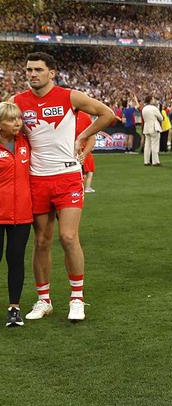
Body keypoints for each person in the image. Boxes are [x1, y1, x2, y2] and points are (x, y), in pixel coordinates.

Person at [15, 52, 116, 323]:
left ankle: (76, 298)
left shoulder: (69, 96)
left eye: (38, 69)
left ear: (52, 73)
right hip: (36, 179)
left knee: (69, 237)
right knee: (41, 241)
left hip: (68, 176)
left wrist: (83, 135)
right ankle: (44, 299)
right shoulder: (16, 102)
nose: (32, 74)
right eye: (28, 70)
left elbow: (108, 115)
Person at [0, 101, 33, 327]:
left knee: (16, 260)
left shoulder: (26, 142)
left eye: (19, 119)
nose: (18, 123)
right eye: (12, 119)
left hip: (22, 215)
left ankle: (14, 309)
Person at [141, 95, 164, 166]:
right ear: (150, 100)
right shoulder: (154, 108)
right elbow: (161, 118)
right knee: (155, 145)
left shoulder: (144, 108)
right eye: (153, 99)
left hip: (146, 127)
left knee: (147, 145)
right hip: (154, 127)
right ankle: (155, 161)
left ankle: (146, 161)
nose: (154, 101)